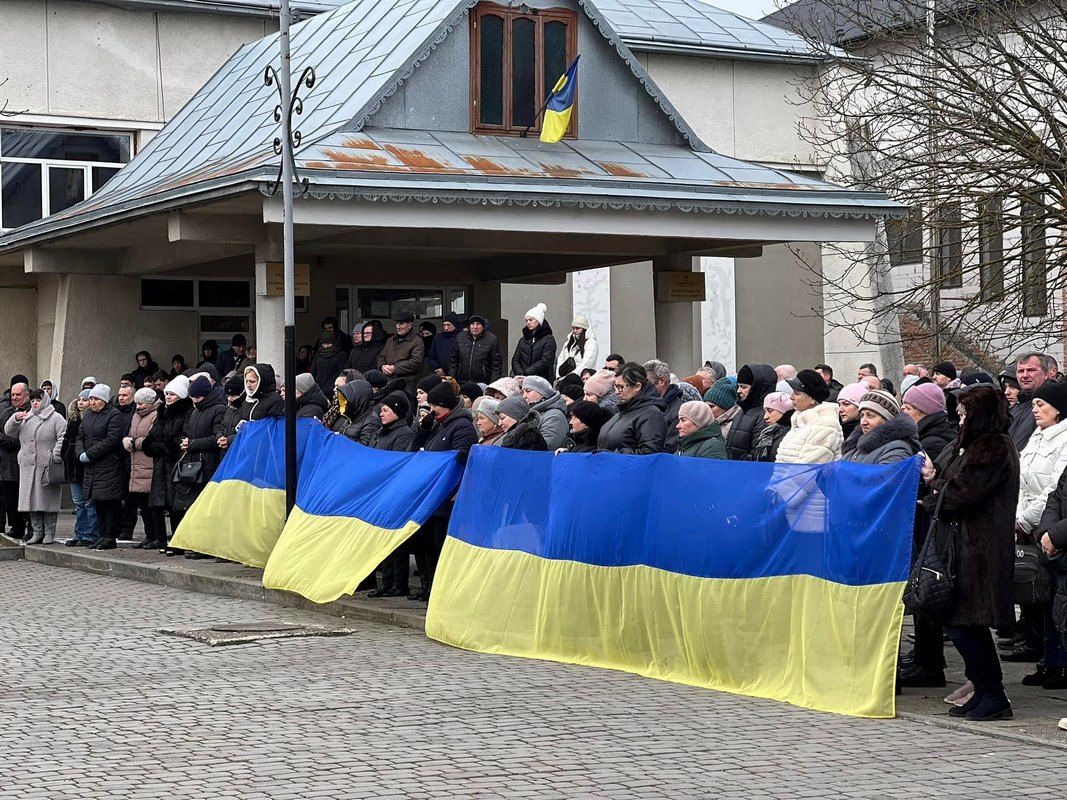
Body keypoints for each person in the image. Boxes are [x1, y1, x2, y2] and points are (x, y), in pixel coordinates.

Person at [921, 385, 1019, 721]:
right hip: (967, 546)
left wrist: (934, 495)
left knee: (968, 624)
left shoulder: (991, 447)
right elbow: (950, 486)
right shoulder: (975, 445)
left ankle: (993, 695)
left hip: (980, 548)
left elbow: (959, 494)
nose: (959, 420)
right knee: (963, 624)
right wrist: (938, 487)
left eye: (965, 414)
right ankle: (985, 691)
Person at [897, 380, 964, 688]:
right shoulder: (928, 435)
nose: (904, 413)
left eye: (908, 408)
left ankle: (929, 662)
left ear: (922, 410)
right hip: (927, 519)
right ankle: (924, 657)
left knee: (928, 589)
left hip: (931, 521)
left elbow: (932, 483)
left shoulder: (934, 440)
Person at [1009, 381, 1067, 670]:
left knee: (1053, 596)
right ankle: (1046, 658)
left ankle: (1056, 662)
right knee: (1037, 594)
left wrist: (1028, 519)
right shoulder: (1037, 436)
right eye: (1033, 405)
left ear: (1058, 410)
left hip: (1047, 523)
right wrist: (1017, 517)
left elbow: (1054, 488)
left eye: (1041, 404)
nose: (1035, 410)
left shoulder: (1064, 438)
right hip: (1028, 523)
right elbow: (1021, 480)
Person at [410, 382, 478, 601]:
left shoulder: (462, 426)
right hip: (432, 494)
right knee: (426, 544)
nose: (432, 411)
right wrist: (424, 429)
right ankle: (428, 586)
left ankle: (440, 589)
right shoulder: (438, 424)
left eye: (434, 406)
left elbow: (461, 456)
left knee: (439, 545)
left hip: (447, 494)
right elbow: (417, 450)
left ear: (445, 405)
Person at [366, 392, 417, 599]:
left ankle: (398, 583)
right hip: (378, 490)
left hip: (393, 491)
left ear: (397, 411)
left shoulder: (403, 433)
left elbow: (397, 462)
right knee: (381, 538)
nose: (381, 414)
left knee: (396, 543)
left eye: (386, 410)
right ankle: (386, 582)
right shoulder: (381, 432)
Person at [3, 388, 66, 545]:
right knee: (32, 501)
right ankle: (37, 532)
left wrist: (55, 455)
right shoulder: (26, 417)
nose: (35, 403)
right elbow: (9, 431)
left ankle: (49, 532)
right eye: (32, 401)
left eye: (38, 400)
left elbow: (63, 436)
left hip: (45, 467)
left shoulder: (55, 418)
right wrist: (15, 418)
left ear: (44, 400)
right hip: (27, 467)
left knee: (48, 501)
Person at [173, 376, 226, 559]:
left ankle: (205, 546)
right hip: (194, 463)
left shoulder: (218, 409)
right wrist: (186, 442)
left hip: (208, 464)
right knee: (193, 506)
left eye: (198, 397)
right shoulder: (195, 411)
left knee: (206, 508)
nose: (195, 401)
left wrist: (193, 444)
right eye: (193, 397)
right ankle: (196, 544)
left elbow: (216, 438)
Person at [76, 384, 125, 550]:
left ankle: (109, 537)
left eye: (95, 399)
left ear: (104, 400)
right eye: (91, 398)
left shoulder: (114, 415)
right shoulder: (88, 415)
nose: (92, 402)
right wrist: (80, 452)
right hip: (92, 468)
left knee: (108, 503)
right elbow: (80, 437)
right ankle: (100, 535)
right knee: (97, 502)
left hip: (108, 466)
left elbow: (111, 440)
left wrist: (90, 454)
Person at [123, 387, 164, 550]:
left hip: (150, 464)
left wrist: (134, 443)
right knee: (143, 505)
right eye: (137, 403)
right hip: (136, 464)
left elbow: (152, 439)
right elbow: (132, 434)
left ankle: (158, 536)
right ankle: (149, 535)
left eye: (141, 403)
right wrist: (126, 439)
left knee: (153, 505)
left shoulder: (156, 415)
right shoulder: (135, 416)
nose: (138, 406)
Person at [776, 369, 843, 464]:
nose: (791, 397)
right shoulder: (800, 422)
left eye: (797, 393)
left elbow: (807, 469)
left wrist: (783, 479)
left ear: (812, 399)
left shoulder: (826, 425)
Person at [597, 363, 667, 455]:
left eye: (621, 387)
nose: (617, 392)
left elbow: (650, 453)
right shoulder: (622, 412)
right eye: (615, 386)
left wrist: (613, 456)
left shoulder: (651, 414)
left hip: (628, 467)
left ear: (637, 386)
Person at [843, 390, 921, 465]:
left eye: (871, 416)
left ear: (887, 420)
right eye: (862, 415)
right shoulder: (855, 444)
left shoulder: (897, 448)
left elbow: (885, 477)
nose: (863, 422)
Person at [62, 390, 99, 547]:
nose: (81, 402)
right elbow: (67, 439)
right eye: (79, 399)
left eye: (85, 399)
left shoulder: (91, 420)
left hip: (86, 466)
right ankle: (79, 533)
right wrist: (63, 454)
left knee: (89, 502)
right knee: (78, 503)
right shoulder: (73, 419)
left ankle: (90, 534)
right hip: (73, 466)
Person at [726, 364, 776, 460]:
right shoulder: (742, 411)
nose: (738, 391)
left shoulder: (765, 415)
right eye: (738, 386)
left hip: (747, 471)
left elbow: (757, 453)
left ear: (756, 388)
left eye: (743, 387)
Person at [0, 381, 29, 540]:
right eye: (13, 395)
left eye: (18, 395)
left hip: (23, 460)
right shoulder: (7, 412)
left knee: (24, 496)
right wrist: (8, 441)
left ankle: (29, 527)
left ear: (26, 395)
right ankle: (16, 526)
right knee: (11, 498)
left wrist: (12, 442)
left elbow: (26, 437)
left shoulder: (31, 412)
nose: (15, 397)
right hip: (7, 462)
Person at [377, 312, 425, 396]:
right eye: (397, 323)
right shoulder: (391, 340)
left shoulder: (417, 341)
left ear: (409, 325)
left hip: (406, 385)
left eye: (401, 324)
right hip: (388, 383)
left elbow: (415, 362)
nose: (398, 326)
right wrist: (382, 366)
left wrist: (395, 368)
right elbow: (381, 356)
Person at [1011, 353, 1052, 451]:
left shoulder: (1054, 407)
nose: (1025, 375)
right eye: (1020, 371)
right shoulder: (1012, 409)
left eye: (1031, 370)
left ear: (1046, 374)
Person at [448, 314, 503, 384]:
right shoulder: (461, 337)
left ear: (483, 326)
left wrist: (493, 385)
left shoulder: (492, 339)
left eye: (478, 324)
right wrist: (452, 381)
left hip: (483, 383)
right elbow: (454, 361)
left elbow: (496, 365)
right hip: (462, 382)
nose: (475, 327)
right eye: (472, 324)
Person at [644, 360, 684, 454]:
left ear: (661, 381)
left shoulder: (677, 411)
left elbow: (670, 447)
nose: (642, 388)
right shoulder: (647, 405)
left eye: (646, 383)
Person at [518, 375, 568, 451]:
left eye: (528, 391)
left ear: (542, 394)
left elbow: (546, 447)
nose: (524, 396)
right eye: (523, 392)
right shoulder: (528, 413)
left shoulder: (555, 416)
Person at [511, 303, 556, 382]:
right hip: (523, 380)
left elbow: (546, 360)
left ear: (538, 320)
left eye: (531, 320)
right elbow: (515, 359)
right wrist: (520, 373)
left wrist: (527, 372)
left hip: (541, 380)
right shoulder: (523, 340)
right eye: (526, 320)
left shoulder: (548, 339)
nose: (528, 322)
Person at [332, 380, 380, 445]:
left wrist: (341, 438)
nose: (345, 402)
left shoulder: (372, 420)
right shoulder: (351, 414)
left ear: (357, 399)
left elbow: (365, 446)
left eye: (347, 399)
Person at [750, 392, 793, 463]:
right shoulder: (767, 433)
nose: (765, 417)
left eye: (770, 411)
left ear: (784, 412)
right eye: (765, 411)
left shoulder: (789, 436)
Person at [427, 312, 462, 377]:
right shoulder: (438, 338)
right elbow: (431, 356)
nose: (446, 328)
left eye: (449, 325)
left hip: (458, 374)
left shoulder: (462, 337)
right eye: (444, 325)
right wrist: (437, 368)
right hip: (440, 374)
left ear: (455, 325)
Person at [837, 382, 867, 452]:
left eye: (846, 404)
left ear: (860, 406)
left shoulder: (865, 433)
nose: (840, 409)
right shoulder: (838, 430)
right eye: (839, 404)